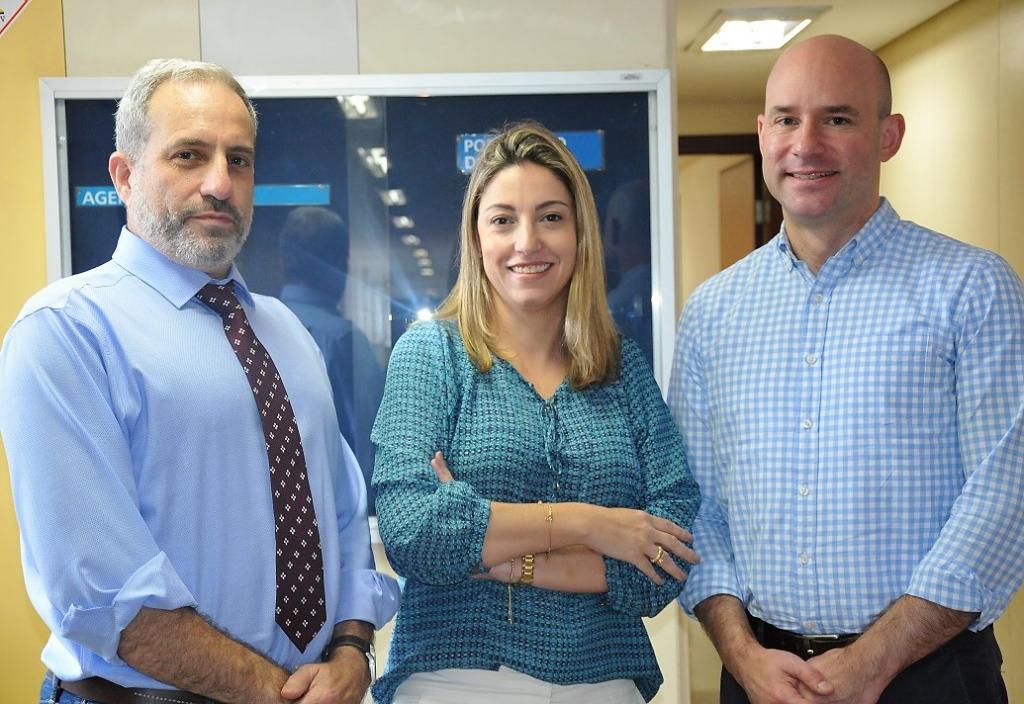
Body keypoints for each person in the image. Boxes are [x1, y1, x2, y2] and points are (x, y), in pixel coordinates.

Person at [0, 58, 399, 704]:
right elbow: (108, 598)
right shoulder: (65, 333)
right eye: (189, 155)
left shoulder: (288, 336)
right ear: (124, 175)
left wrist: (352, 650)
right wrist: (284, 695)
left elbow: (347, 521)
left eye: (238, 160)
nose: (219, 183)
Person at [668, 34, 1023, 704]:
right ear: (761, 133)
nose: (806, 144)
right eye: (786, 119)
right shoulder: (713, 312)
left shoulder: (971, 289)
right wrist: (742, 655)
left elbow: (1005, 499)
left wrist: (871, 662)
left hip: (931, 677)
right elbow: (696, 503)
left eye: (837, 118)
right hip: (760, 680)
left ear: (888, 136)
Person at [371, 121, 701, 703]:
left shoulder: (622, 366)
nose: (528, 241)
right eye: (503, 220)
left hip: (605, 680)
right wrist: (595, 526)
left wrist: (506, 557)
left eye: (551, 217)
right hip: (457, 676)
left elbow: (668, 547)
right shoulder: (431, 356)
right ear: (476, 239)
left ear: (580, 235)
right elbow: (413, 533)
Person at [279, 206, 386, 508]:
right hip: (338, 520)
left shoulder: (245, 330)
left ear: (283, 260)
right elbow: (369, 447)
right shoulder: (345, 342)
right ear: (342, 263)